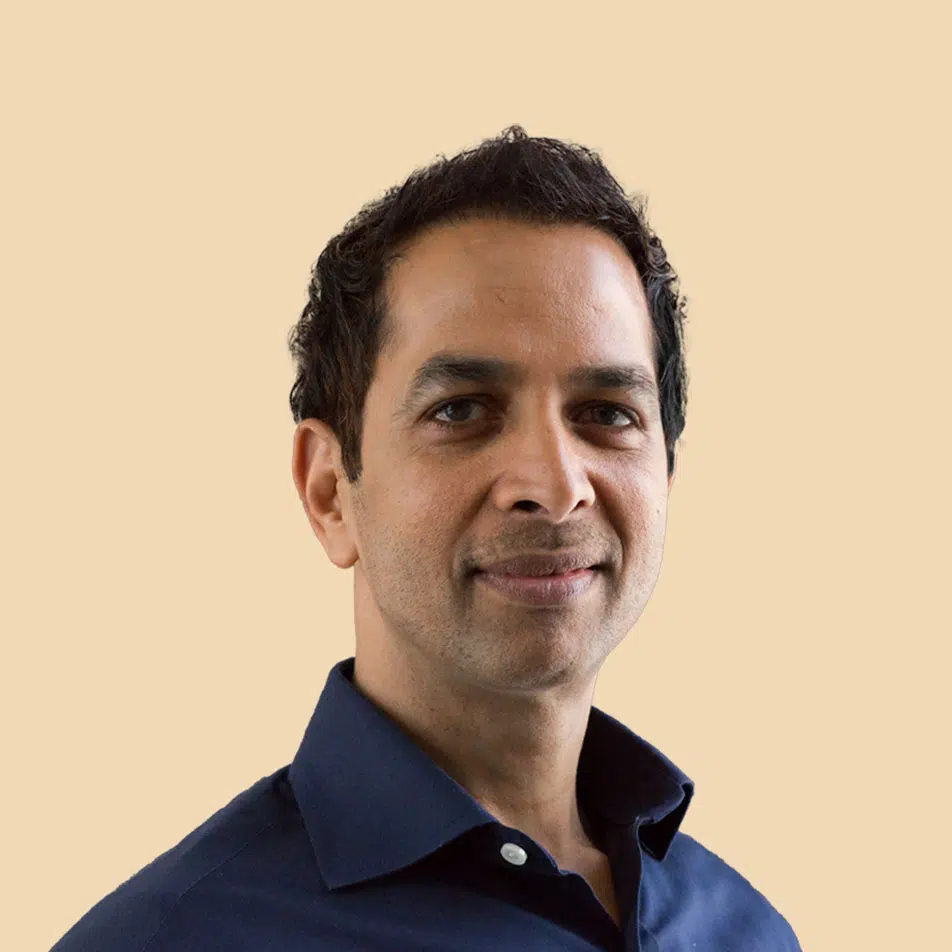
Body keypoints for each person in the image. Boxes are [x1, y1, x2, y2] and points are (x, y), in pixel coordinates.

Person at [52, 125, 801, 950]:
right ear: (330, 492)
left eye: (606, 414)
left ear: (667, 472)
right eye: (463, 410)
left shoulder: (747, 931)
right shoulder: (170, 939)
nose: (555, 486)